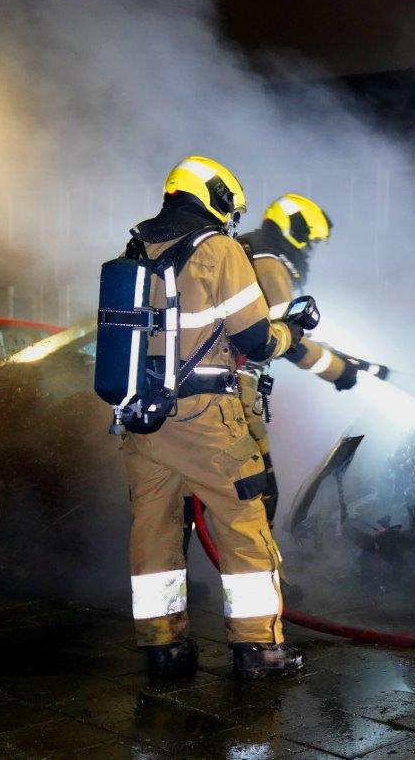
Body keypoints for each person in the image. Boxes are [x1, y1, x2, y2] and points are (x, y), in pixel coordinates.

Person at [120, 156, 306, 678]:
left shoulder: (136, 250)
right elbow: (257, 340)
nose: (230, 216)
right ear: (212, 195)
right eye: (229, 204)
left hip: (143, 417)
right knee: (244, 524)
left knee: (154, 530)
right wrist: (290, 332)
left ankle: (164, 649)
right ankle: (258, 650)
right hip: (205, 417)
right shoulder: (219, 250)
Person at [235, 193, 355, 524]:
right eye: (309, 242)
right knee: (256, 487)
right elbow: (283, 337)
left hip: (214, 380)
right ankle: (258, 571)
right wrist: (339, 371)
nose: (308, 252)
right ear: (295, 230)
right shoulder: (270, 259)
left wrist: (335, 356)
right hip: (234, 384)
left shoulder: (249, 249)